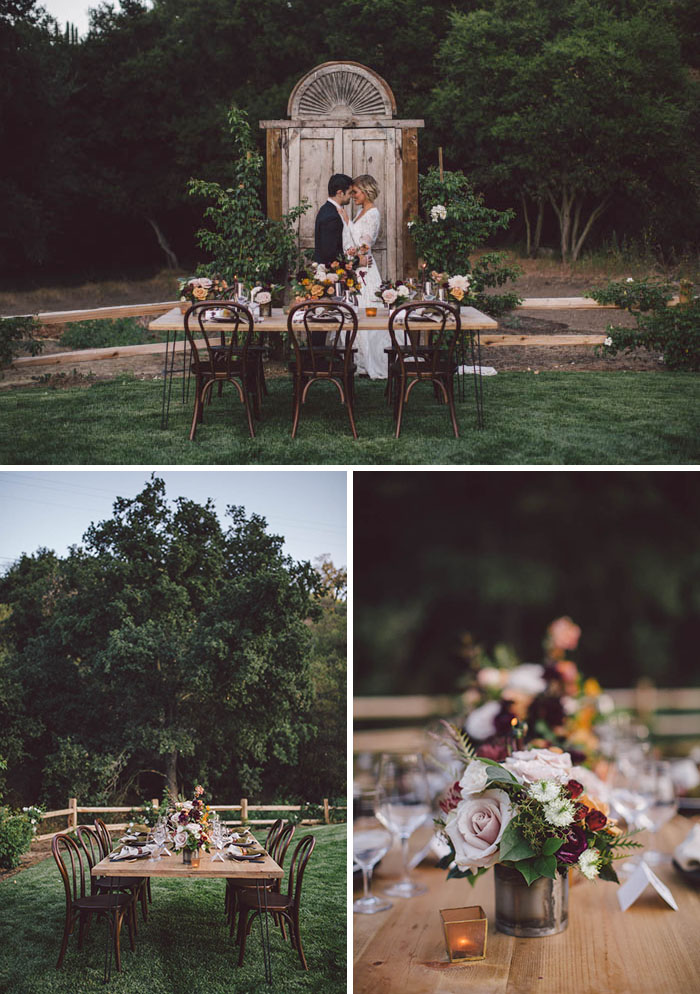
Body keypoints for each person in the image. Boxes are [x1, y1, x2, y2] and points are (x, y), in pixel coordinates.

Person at [343, 174, 390, 379]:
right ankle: (355, 357)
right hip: (356, 269)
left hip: (366, 270)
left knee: (367, 310)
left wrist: (347, 222)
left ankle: (372, 358)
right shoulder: (360, 211)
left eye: (355, 192)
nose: (353, 196)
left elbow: (365, 244)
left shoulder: (372, 214)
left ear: (366, 191)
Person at [313, 174, 353, 265]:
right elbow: (331, 254)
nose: (351, 196)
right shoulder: (331, 216)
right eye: (350, 193)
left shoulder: (328, 209)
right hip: (332, 273)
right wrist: (356, 262)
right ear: (340, 193)